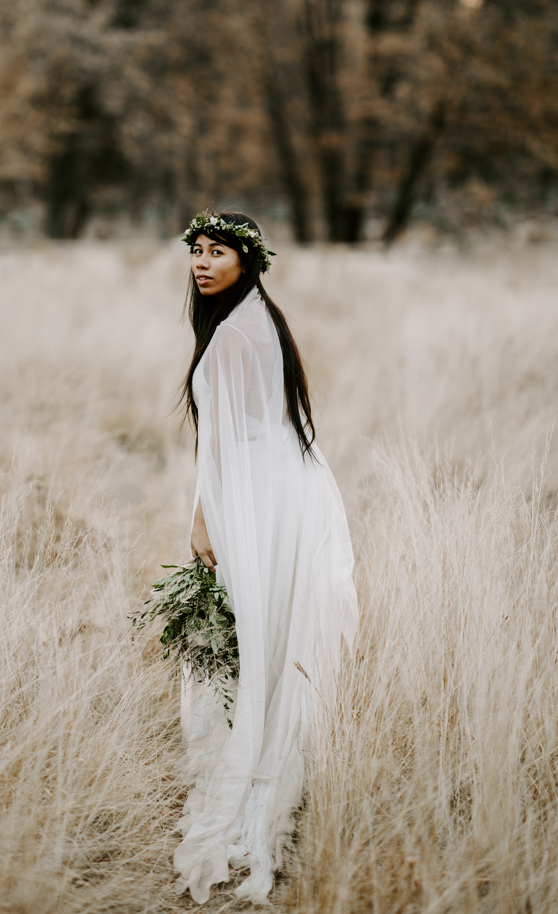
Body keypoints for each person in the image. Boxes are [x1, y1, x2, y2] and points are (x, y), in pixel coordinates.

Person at [174, 211, 358, 904]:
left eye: (216, 251)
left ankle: (252, 784)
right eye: (195, 250)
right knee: (264, 633)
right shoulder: (253, 320)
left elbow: (225, 443)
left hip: (257, 499)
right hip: (274, 491)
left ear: (246, 261)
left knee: (254, 634)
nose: (201, 261)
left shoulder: (236, 335)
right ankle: (262, 760)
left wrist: (202, 520)